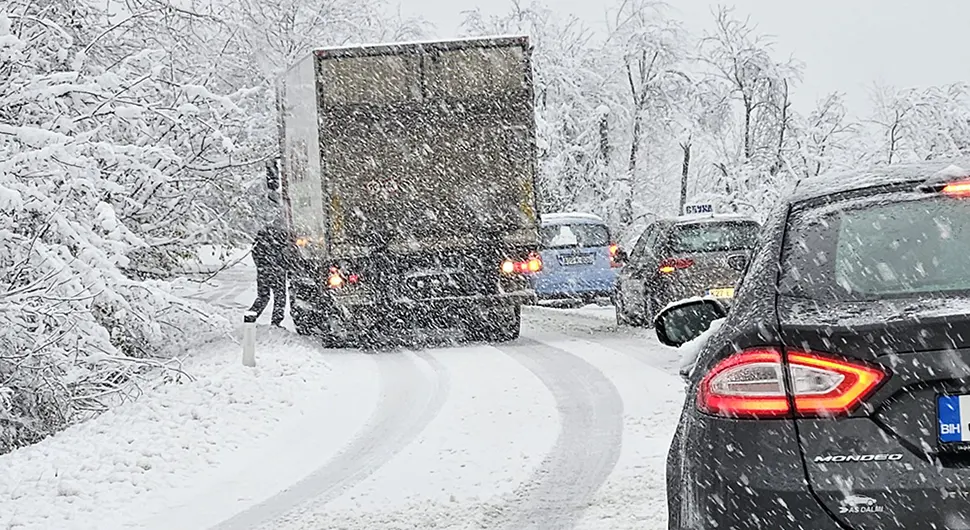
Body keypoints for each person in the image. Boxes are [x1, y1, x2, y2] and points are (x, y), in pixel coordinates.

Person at [247, 219, 292, 327]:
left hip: (263, 272)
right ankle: (276, 323)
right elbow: (286, 255)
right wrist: (283, 267)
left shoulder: (262, 237)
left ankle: (249, 318)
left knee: (262, 297)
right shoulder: (282, 237)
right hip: (277, 272)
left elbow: (255, 252)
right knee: (279, 298)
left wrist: (261, 267)